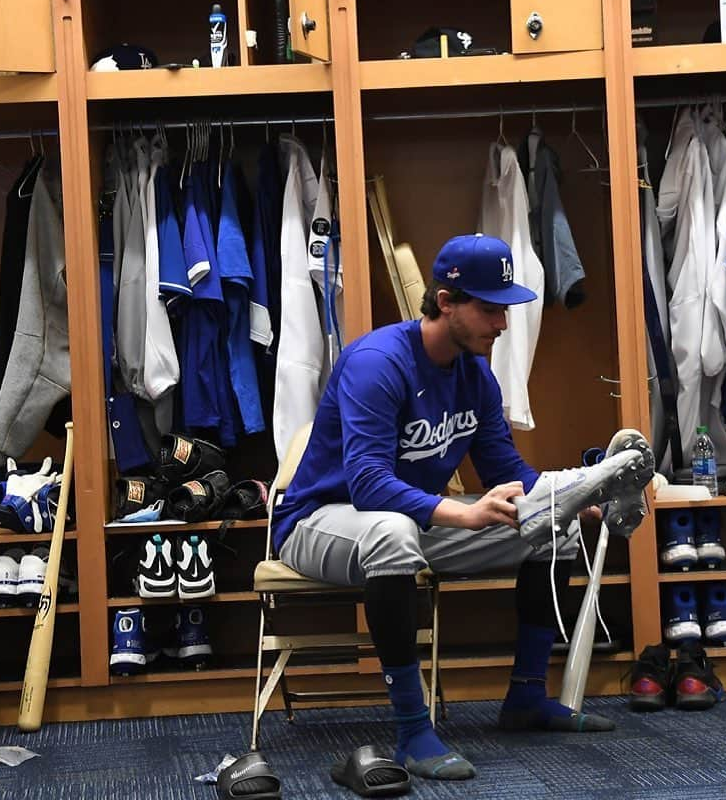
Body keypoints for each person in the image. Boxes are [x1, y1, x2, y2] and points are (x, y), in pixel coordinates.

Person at [273, 234, 655, 781]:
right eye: (489, 309)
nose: (501, 324)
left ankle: (526, 697)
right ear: (446, 301)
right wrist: (465, 513)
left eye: (504, 310)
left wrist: (576, 503)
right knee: (390, 531)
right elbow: (367, 485)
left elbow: (509, 476)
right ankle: (411, 730)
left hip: (411, 520)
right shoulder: (377, 363)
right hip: (317, 520)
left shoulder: (475, 374)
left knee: (553, 530)